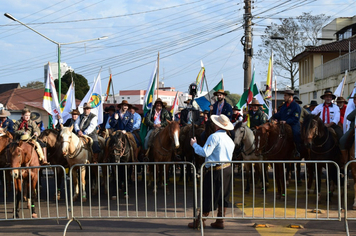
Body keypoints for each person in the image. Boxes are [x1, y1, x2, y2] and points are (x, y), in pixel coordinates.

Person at [188, 114, 235, 229]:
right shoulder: (230, 140)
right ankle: (220, 220)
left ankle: (201, 220)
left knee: (209, 194)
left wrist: (194, 145)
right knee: (224, 195)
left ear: (216, 125)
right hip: (228, 168)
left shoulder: (214, 137)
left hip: (216, 170)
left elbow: (205, 153)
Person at [273, 90, 301, 157]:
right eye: (284, 95)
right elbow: (280, 114)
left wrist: (286, 121)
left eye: (285, 95)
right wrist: (274, 115)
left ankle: (297, 150)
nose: (284, 97)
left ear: (290, 96)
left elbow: (295, 118)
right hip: (282, 124)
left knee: (296, 134)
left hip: (293, 124)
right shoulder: (284, 106)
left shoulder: (296, 106)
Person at [340, 95, 356, 162]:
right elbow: (349, 117)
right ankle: (346, 161)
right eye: (355, 99)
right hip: (353, 128)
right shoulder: (352, 107)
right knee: (342, 140)